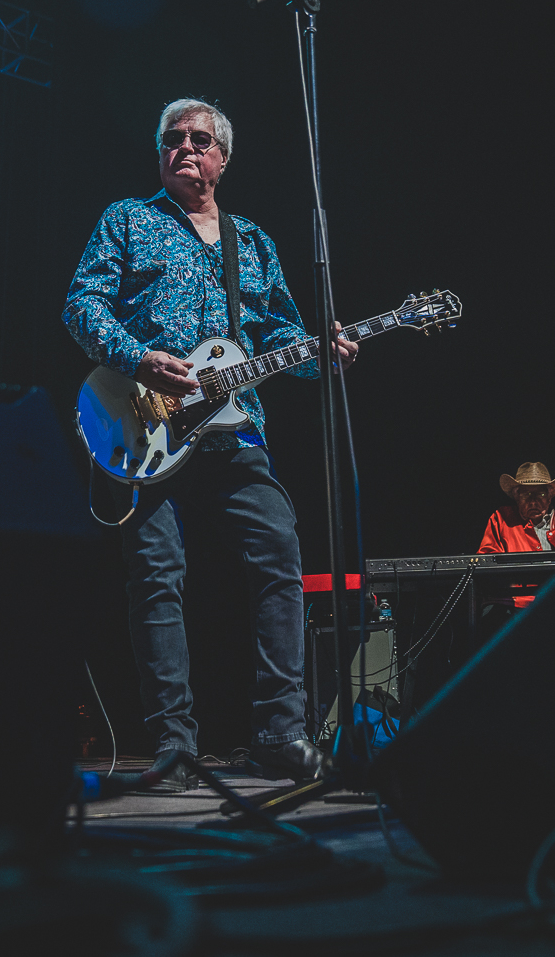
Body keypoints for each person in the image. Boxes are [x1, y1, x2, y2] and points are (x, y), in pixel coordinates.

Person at [62, 97, 357, 789]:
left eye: (200, 139)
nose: (185, 147)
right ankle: (173, 744)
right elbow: (81, 303)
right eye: (173, 138)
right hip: (148, 424)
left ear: (223, 159)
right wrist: (138, 357)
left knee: (280, 553)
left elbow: (283, 336)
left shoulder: (250, 241)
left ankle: (281, 733)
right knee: (158, 577)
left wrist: (326, 351)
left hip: (236, 427)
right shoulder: (128, 219)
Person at [477, 462, 555, 612]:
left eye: (540, 494)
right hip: (512, 608)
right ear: (516, 497)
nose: (533, 501)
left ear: (550, 497)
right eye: (526, 494)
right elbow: (486, 565)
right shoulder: (501, 520)